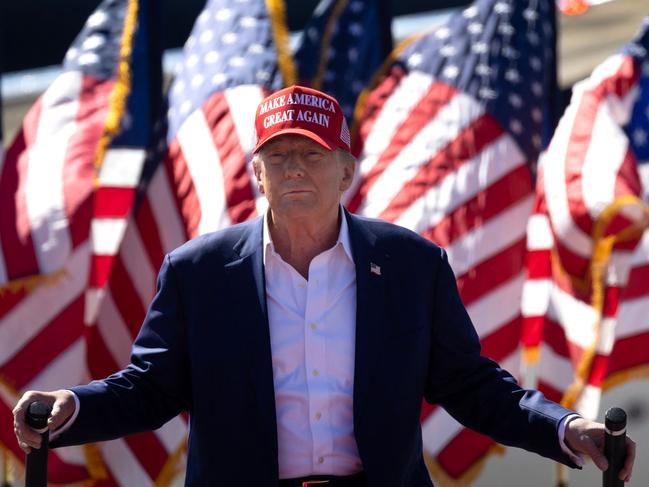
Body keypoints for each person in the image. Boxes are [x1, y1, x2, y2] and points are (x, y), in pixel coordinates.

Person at [14, 85, 635, 486]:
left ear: (346, 172)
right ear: (255, 173)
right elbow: (150, 389)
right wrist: (77, 408)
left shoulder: (412, 266)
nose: (293, 169)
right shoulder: (196, 273)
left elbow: (472, 385)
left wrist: (563, 427)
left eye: (311, 154)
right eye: (278, 156)